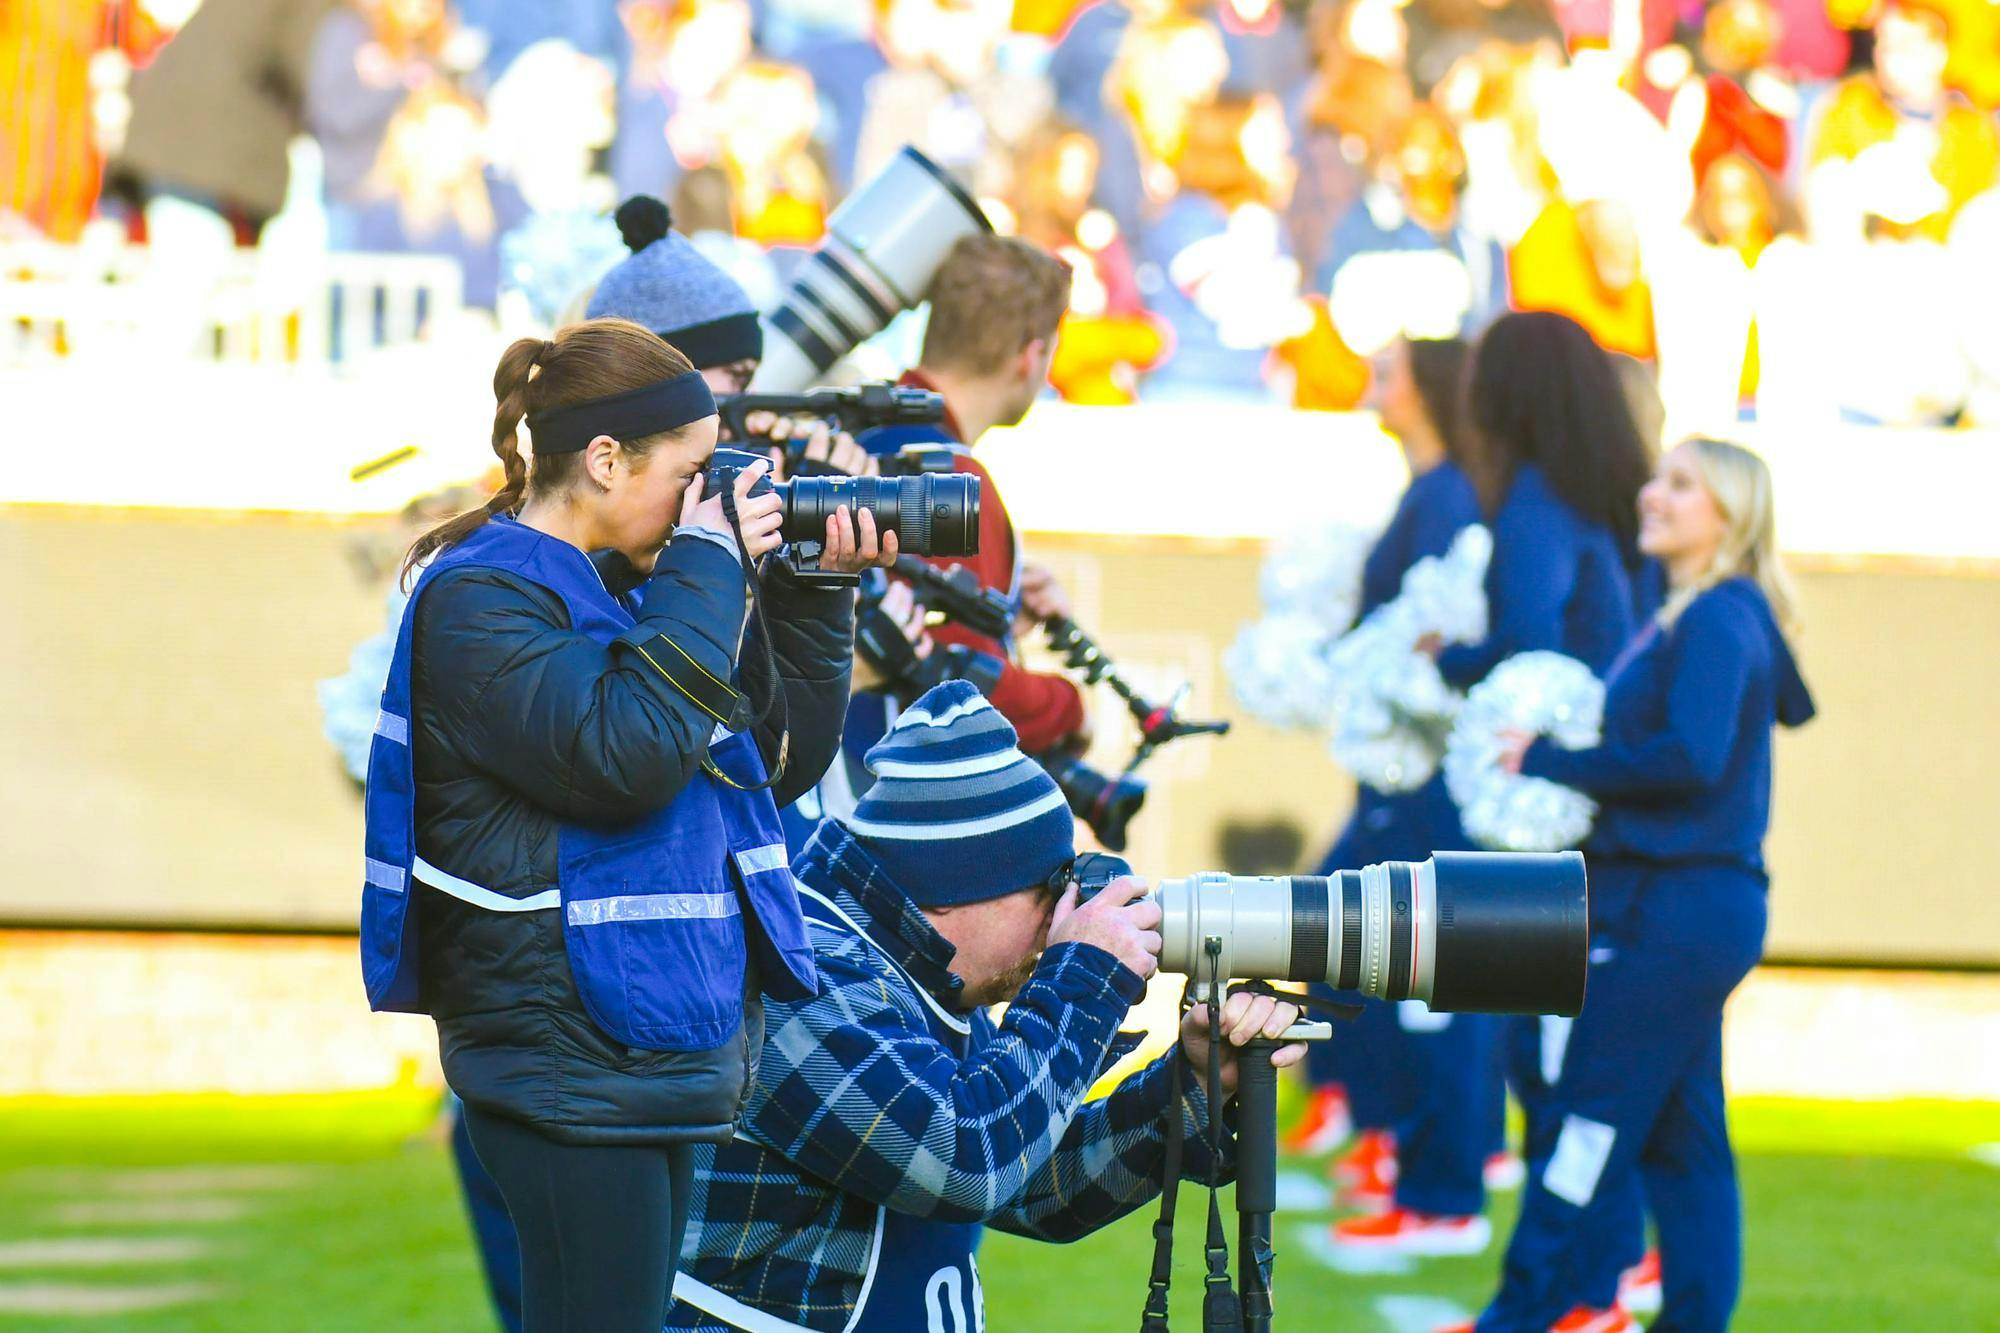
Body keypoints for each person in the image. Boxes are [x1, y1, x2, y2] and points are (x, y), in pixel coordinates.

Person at [359, 318, 895, 1333]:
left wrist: (816, 594)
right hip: (568, 1059)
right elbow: (626, 756)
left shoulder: (627, 589)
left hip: (642, 1043)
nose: (705, 501)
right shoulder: (482, 598)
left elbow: (771, 766)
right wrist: (707, 562)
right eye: (690, 475)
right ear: (605, 460)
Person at [668, 680, 1307, 1331]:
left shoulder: (921, 975)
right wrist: (1083, 977)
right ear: (954, 887)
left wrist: (1188, 1083)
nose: (1061, 918)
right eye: (1050, 889)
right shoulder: (796, 974)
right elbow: (962, 1161)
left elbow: (1031, 1182)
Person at [1450, 438, 1814, 1333]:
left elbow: (1691, 756)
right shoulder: (1704, 612)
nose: (1654, 494)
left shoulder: (1719, 616)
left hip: (1674, 911)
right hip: (1688, 905)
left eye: (1681, 485)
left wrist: (1550, 761)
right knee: (1684, 1141)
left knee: (1589, 1115)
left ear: (1729, 514)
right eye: (1659, 478)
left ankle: (1526, 1311)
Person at [783, 231, 1091, 849]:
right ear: (1032, 355)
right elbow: (960, 687)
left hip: (815, 797)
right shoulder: (956, 481)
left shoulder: (844, 434)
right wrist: (1071, 707)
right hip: (879, 820)